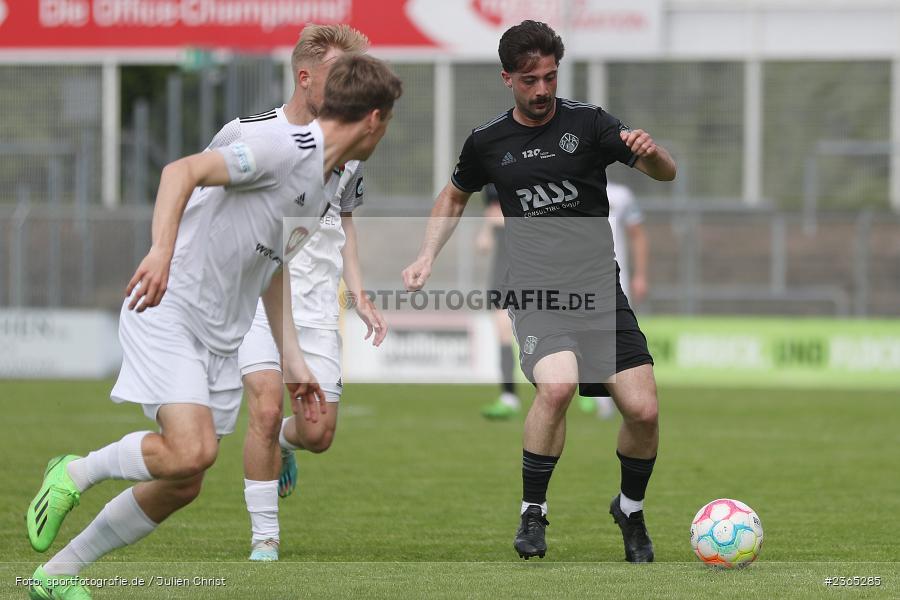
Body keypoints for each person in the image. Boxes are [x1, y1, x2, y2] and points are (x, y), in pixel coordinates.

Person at [24, 53, 402, 599]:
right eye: (388, 121)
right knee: (192, 450)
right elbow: (181, 171)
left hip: (222, 333)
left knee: (184, 483)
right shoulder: (281, 149)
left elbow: (271, 266)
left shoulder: (326, 182)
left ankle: (54, 578)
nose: (385, 131)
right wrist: (161, 251)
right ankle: (74, 471)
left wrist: (293, 361)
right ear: (374, 119)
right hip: (170, 308)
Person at [402, 20, 675, 563]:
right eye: (530, 79)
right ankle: (534, 511)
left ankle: (631, 509)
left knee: (643, 412)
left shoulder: (590, 124)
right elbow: (454, 196)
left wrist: (651, 152)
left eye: (550, 77)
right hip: (536, 293)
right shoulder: (487, 141)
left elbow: (664, 173)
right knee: (557, 388)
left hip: (600, 292)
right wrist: (427, 253)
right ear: (508, 79)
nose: (542, 89)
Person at [228, 24, 387, 563]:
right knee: (267, 410)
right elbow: (202, 192)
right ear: (305, 77)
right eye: (339, 76)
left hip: (317, 303)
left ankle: (279, 450)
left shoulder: (352, 149)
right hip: (255, 292)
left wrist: (360, 294)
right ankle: (265, 541)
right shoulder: (246, 134)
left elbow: (345, 223)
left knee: (317, 432)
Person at [579, 181, 649, 419]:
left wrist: (640, 275)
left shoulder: (621, 195)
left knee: (614, 338)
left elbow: (637, 235)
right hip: (578, 273)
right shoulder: (570, 183)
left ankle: (609, 398)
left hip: (616, 276)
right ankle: (599, 397)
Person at [476, 184, 520, 419]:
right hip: (500, 282)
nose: (494, 206)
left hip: (527, 279)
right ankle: (509, 396)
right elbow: (483, 247)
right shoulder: (494, 220)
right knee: (503, 336)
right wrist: (488, 223)